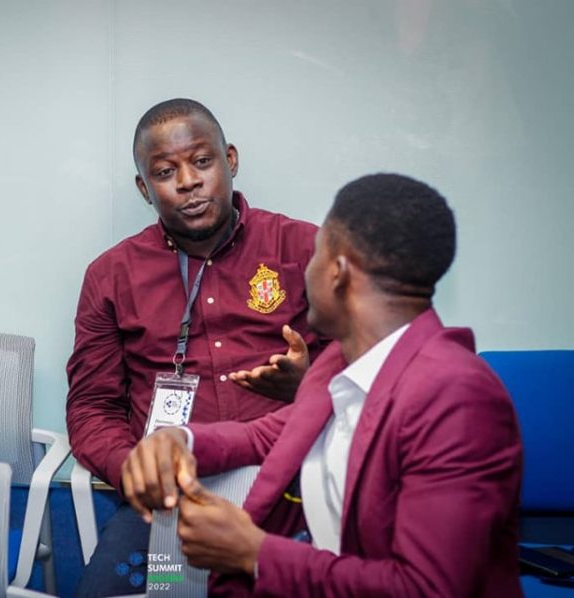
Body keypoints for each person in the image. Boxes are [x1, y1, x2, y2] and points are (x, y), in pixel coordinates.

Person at [123, 173, 523, 596]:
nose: (306, 270)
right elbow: (268, 436)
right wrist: (178, 440)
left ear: (338, 272)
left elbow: (426, 590)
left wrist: (254, 554)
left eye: (315, 254)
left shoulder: (457, 397)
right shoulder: (340, 361)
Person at [66, 98, 326, 595]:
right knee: (124, 590)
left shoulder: (303, 250)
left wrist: (309, 381)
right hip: (172, 498)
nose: (188, 182)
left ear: (230, 160)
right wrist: (133, 470)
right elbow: (92, 406)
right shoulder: (111, 275)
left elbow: (367, 377)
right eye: (166, 172)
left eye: (202, 162)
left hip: (289, 482)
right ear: (144, 188)